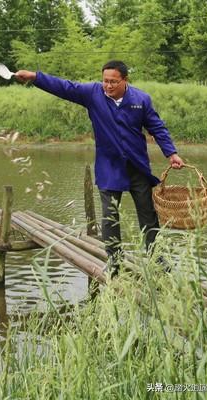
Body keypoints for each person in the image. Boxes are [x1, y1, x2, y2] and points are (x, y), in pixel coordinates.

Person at [15, 60, 184, 276]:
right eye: (105, 81)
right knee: (110, 217)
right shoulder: (92, 93)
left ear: (125, 80)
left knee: (148, 215)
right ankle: (115, 263)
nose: (108, 85)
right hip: (109, 167)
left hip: (137, 166)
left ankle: (157, 260)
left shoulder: (141, 99)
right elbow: (64, 87)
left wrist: (171, 153)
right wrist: (34, 76)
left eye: (113, 81)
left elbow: (157, 128)